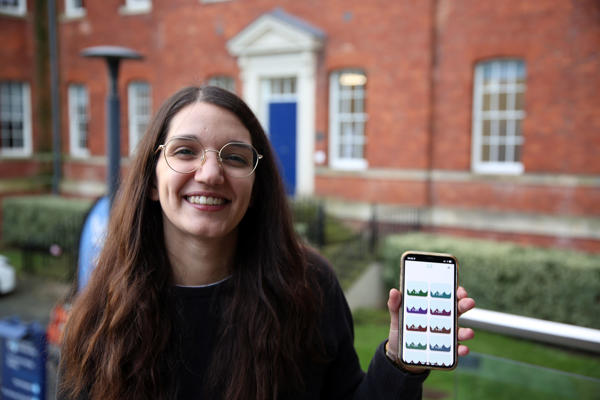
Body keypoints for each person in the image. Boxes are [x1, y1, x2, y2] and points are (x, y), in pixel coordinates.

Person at [58, 86, 475, 400]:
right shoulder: (101, 311)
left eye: (234, 156)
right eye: (186, 151)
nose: (209, 173)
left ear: (256, 187)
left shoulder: (309, 287)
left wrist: (399, 364)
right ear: (151, 180)